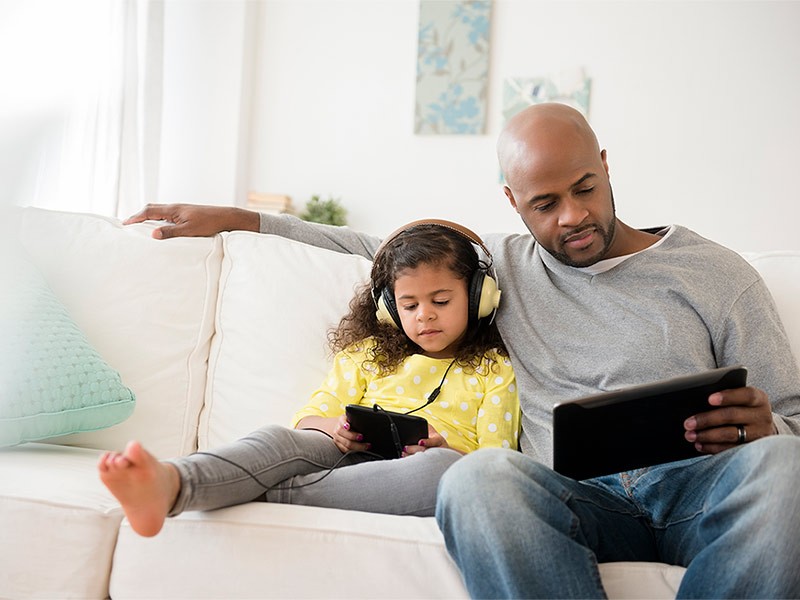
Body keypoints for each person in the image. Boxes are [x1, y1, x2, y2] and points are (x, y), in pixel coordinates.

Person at [124, 103, 800, 597]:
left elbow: (792, 417)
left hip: (697, 488)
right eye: (544, 203)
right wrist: (236, 218)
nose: (571, 216)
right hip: (574, 495)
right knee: (478, 476)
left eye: (584, 188)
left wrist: (767, 424)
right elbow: (377, 250)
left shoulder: (715, 273)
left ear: (605, 165)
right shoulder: (497, 267)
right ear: (513, 203)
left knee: (786, 464)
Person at [98, 220, 519, 537]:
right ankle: (172, 483)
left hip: (418, 473)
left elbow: (496, 464)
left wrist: (447, 449)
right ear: (390, 310)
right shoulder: (369, 356)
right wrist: (335, 428)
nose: (424, 314)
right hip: (344, 454)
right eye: (409, 305)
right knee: (282, 440)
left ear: (478, 296)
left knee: (442, 470)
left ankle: (266, 491)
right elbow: (309, 417)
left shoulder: (494, 370)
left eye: (441, 300)